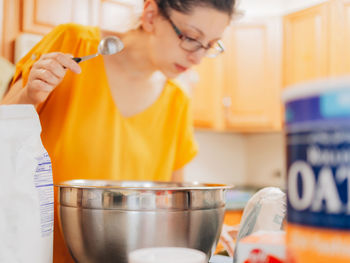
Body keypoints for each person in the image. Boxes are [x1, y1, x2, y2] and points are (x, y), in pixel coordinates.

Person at [1, 0, 236, 261]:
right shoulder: (73, 43)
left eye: (211, 45)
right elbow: (4, 134)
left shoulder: (177, 102)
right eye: (192, 38)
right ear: (150, 15)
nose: (198, 57)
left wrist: (213, 231)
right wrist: (29, 95)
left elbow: (173, 206)